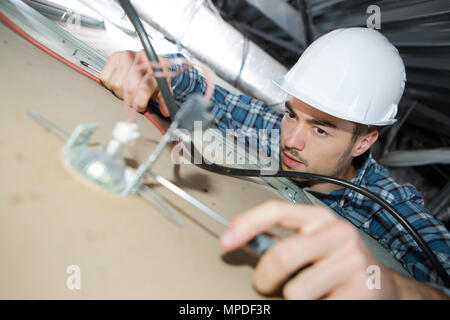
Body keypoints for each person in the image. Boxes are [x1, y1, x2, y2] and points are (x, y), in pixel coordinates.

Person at [100, 27, 450, 299]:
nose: (291, 140)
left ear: (364, 141)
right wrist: (154, 70)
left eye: (321, 130)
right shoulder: (275, 130)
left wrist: (396, 290)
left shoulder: (392, 207)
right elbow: (202, 89)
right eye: (291, 114)